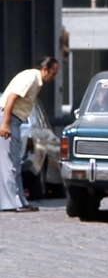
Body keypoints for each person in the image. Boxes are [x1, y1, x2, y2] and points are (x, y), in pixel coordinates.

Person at [0, 56, 59, 212]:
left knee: (14, 162)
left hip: (15, 120)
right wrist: (5, 123)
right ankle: (12, 203)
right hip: (9, 118)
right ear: (45, 69)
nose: (54, 78)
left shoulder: (34, 79)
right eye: (53, 73)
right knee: (10, 163)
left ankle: (19, 201)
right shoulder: (31, 77)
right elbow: (11, 97)